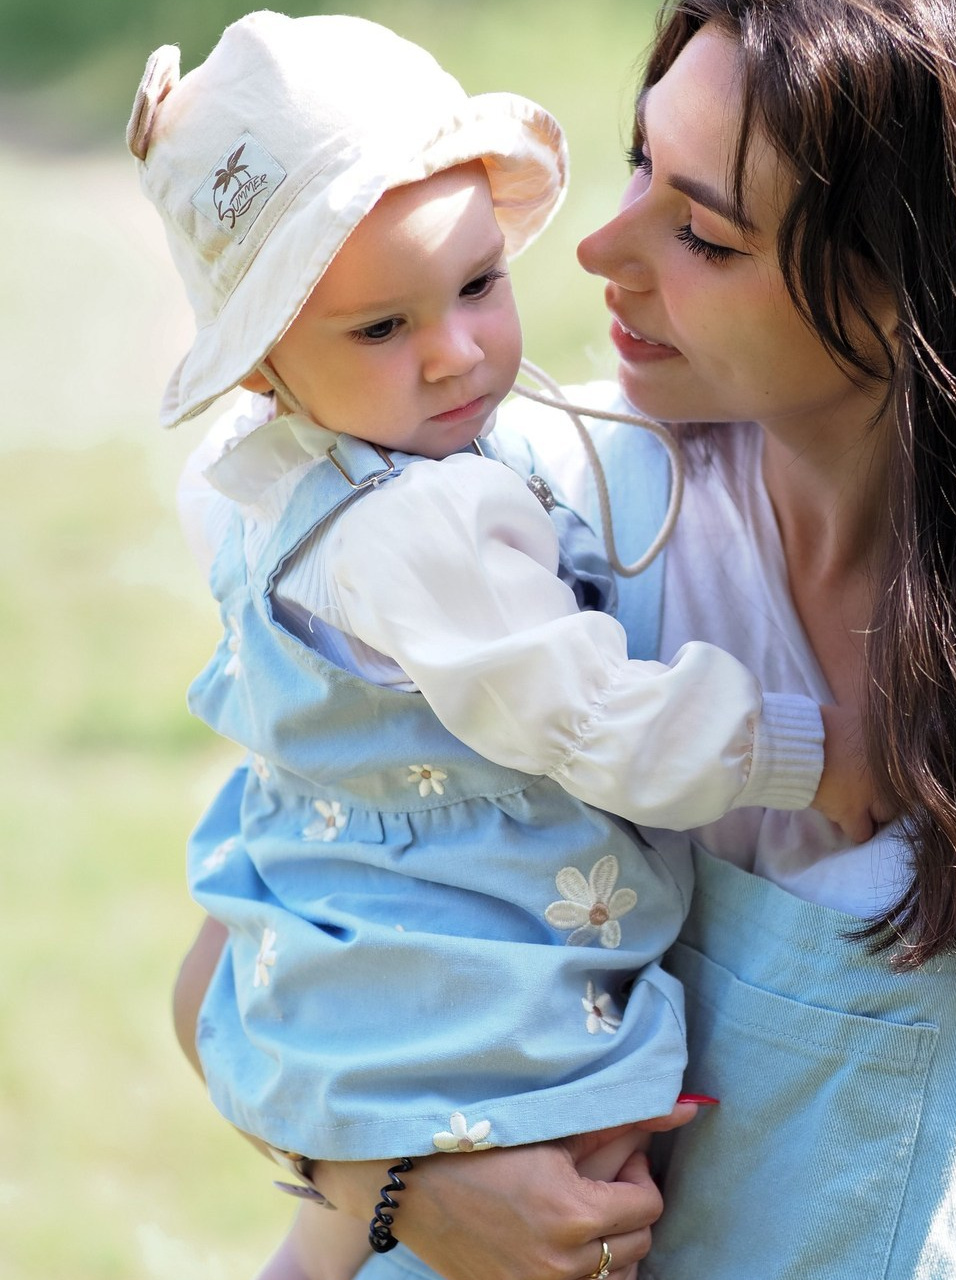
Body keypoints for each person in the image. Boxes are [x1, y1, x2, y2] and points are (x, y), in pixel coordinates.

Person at [173, 0, 956, 1277]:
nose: (597, 246)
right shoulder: (538, 524)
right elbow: (228, 973)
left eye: (700, 228)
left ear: (924, 288)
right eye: (639, 159)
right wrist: (395, 1186)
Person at [133, 11, 883, 1280]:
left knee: (329, 1249)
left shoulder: (299, 477)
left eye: (479, 285)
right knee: (569, 1207)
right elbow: (588, 713)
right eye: (380, 330)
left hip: (351, 958)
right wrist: (809, 753)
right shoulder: (414, 523)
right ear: (264, 366)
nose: (456, 354)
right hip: (470, 988)